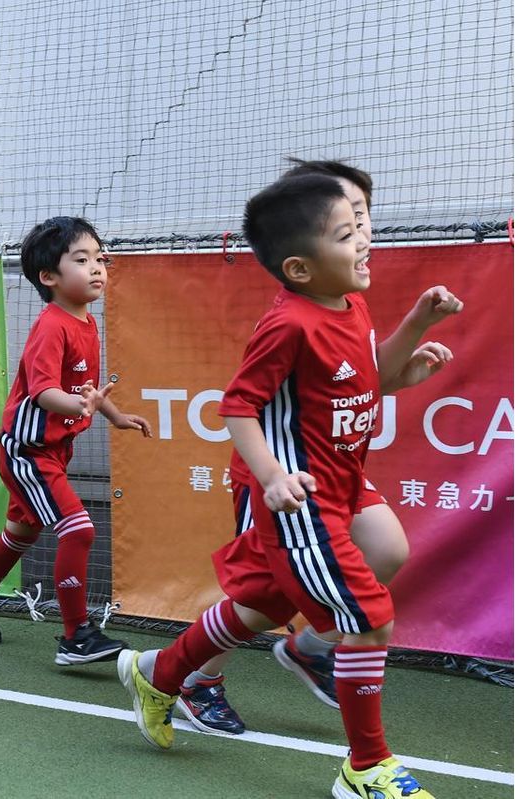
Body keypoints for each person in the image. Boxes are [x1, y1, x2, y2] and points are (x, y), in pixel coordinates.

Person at [119, 174, 457, 798]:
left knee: (274, 598)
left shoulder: (349, 302)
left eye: (362, 224)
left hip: (343, 484)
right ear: (300, 268)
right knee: (366, 617)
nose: (365, 239)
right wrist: (274, 477)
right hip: (299, 497)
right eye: (348, 230)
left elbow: (365, 379)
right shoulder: (289, 324)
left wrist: (412, 337)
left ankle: (161, 672)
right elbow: (237, 407)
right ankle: (366, 768)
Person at [0, 216, 151, 664]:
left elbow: (87, 391)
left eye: (100, 258)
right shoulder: (52, 325)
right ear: (49, 277)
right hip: (28, 451)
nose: (97, 267)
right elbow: (44, 392)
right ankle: (77, 636)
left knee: (23, 529)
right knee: (79, 530)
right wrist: (78, 407)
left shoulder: (86, 324)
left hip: (53, 450)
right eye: (82, 260)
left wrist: (113, 415)